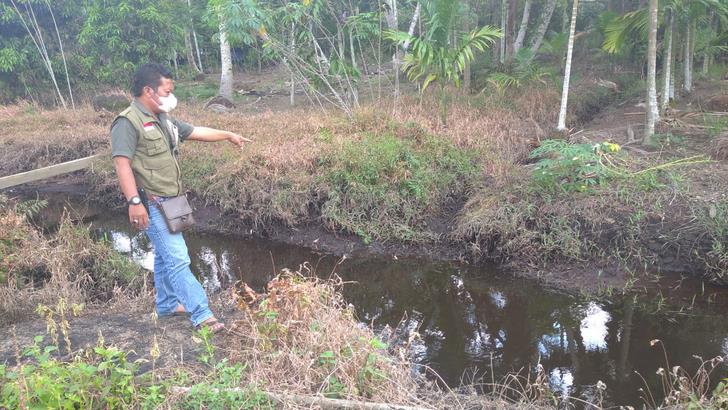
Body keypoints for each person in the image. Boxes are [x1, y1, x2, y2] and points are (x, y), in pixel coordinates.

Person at [111, 63, 251, 333]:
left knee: (165, 257)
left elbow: (195, 131)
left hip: (172, 201)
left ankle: (166, 305)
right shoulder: (127, 122)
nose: (171, 96)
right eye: (167, 90)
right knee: (178, 259)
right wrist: (134, 202)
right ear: (148, 90)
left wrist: (228, 135)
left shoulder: (163, 118)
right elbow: (122, 164)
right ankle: (202, 314)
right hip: (152, 203)